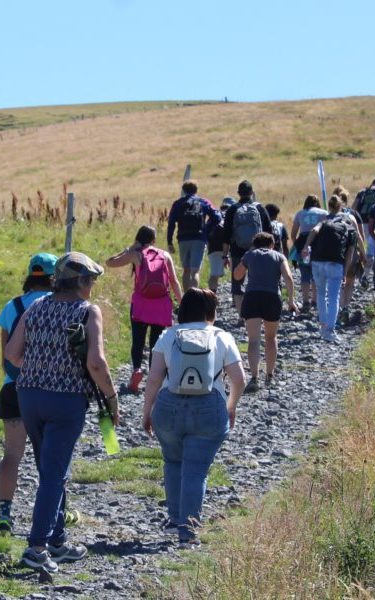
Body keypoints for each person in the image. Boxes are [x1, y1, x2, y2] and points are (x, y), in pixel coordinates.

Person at [5, 252, 118, 573]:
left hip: (29, 396)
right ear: (81, 282)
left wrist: (41, 368)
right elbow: (95, 363)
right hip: (66, 400)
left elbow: (12, 354)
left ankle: (57, 541)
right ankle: (36, 548)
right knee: (54, 475)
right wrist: (111, 397)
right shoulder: (87, 312)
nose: (93, 286)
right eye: (92, 280)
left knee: (50, 469)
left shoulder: (36, 306)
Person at [142, 288, 246, 547]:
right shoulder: (221, 336)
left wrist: (147, 411)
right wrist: (230, 407)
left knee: (173, 461)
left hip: (169, 407)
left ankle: (175, 518)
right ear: (210, 311)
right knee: (196, 471)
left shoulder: (169, 335)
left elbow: (154, 379)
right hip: (209, 408)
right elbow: (239, 380)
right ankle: (188, 531)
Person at [0, 252, 58, 534]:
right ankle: (53, 514)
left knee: (12, 454)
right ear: (55, 277)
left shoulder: (13, 306)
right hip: (48, 390)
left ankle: (5, 513)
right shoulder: (58, 305)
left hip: (13, 387)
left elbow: (5, 357)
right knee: (50, 455)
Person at [106, 225, 182, 392]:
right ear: (154, 240)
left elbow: (110, 263)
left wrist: (129, 248)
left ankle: (136, 370)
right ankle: (155, 378)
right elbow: (174, 282)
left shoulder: (136, 255)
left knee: (138, 341)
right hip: (161, 305)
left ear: (138, 238)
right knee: (156, 343)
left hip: (141, 304)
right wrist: (181, 302)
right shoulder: (165, 255)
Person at [233, 233, 297, 392]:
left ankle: (254, 377)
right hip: (272, 297)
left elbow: (237, 275)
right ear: (272, 244)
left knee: (253, 340)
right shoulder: (279, 256)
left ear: (255, 244)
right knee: (271, 337)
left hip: (252, 296)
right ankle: (269, 374)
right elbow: (288, 277)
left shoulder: (250, 255)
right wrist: (291, 301)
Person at [303, 195, 357, 342]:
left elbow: (314, 230)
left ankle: (322, 326)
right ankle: (330, 330)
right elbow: (350, 252)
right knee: (334, 297)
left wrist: (306, 247)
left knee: (321, 294)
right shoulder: (349, 224)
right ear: (341, 207)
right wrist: (345, 272)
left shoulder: (324, 221)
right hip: (335, 264)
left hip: (318, 261)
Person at [222, 180, 273, 322]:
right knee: (257, 281)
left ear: (238, 193)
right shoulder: (260, 208)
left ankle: (241, 316)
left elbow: (226, 234)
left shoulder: (232, 210)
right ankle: (258, 313)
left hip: (238, 251)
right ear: (252, 193)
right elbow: (269, 231)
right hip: (259, 250)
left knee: (237, 282)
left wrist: (224, 256)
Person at [167, 180, 221, 292]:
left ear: (183, 190)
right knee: (195, 271)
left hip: (183, 239)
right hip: (199, 239)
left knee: (186, 271)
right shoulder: (203, 202)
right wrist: (206, 229)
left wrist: (169, 242)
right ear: (196, 190)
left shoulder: (178, 203)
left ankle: (186, 299)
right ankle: (194, 299)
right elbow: (217, 217)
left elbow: (171, 223)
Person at [332, 187, 367, 324]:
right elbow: (359, 236)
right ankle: (345, 307)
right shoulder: (352, 215)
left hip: (335, 253)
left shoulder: (329, 217)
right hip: (351, 252)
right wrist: (363, 254)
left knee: (337, 282)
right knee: (350, 281)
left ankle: (339, 307)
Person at [290, 195, 328, 312]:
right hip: (319, 244)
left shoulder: (300, 213)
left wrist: (298, 245)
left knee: (304, 274)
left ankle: (305, 301)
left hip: (303, 246)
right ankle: (315, 301)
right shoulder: (323, 213)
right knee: (316, 275)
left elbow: (293, 233)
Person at [353, 177, 375, 287]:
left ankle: (370, 273)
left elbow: (354, 207)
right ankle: (365, 277)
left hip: (362, 222)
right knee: (371, 249)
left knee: (368, 246)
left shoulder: (363, 192)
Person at [207, 197, 236, 292]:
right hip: (231, 246)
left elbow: (207, 231)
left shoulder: (214, 215)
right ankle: (236, 297)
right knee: (235, 273)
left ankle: (211, 297)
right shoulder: (234, 214)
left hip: (214, 246)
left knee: (214, 274)